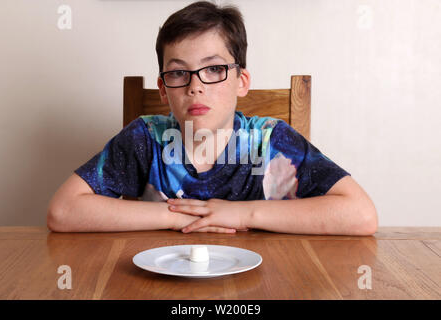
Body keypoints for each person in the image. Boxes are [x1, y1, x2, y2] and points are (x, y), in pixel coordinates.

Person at [47, 1, 378, 235]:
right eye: (179, 73)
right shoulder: (145, 139)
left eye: (214, 69)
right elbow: (62, 212)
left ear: (241, 81)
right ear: (164, 90)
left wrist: (243, 213)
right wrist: (177, 217)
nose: (195, 87)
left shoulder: (271, 140)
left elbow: (361, 215)